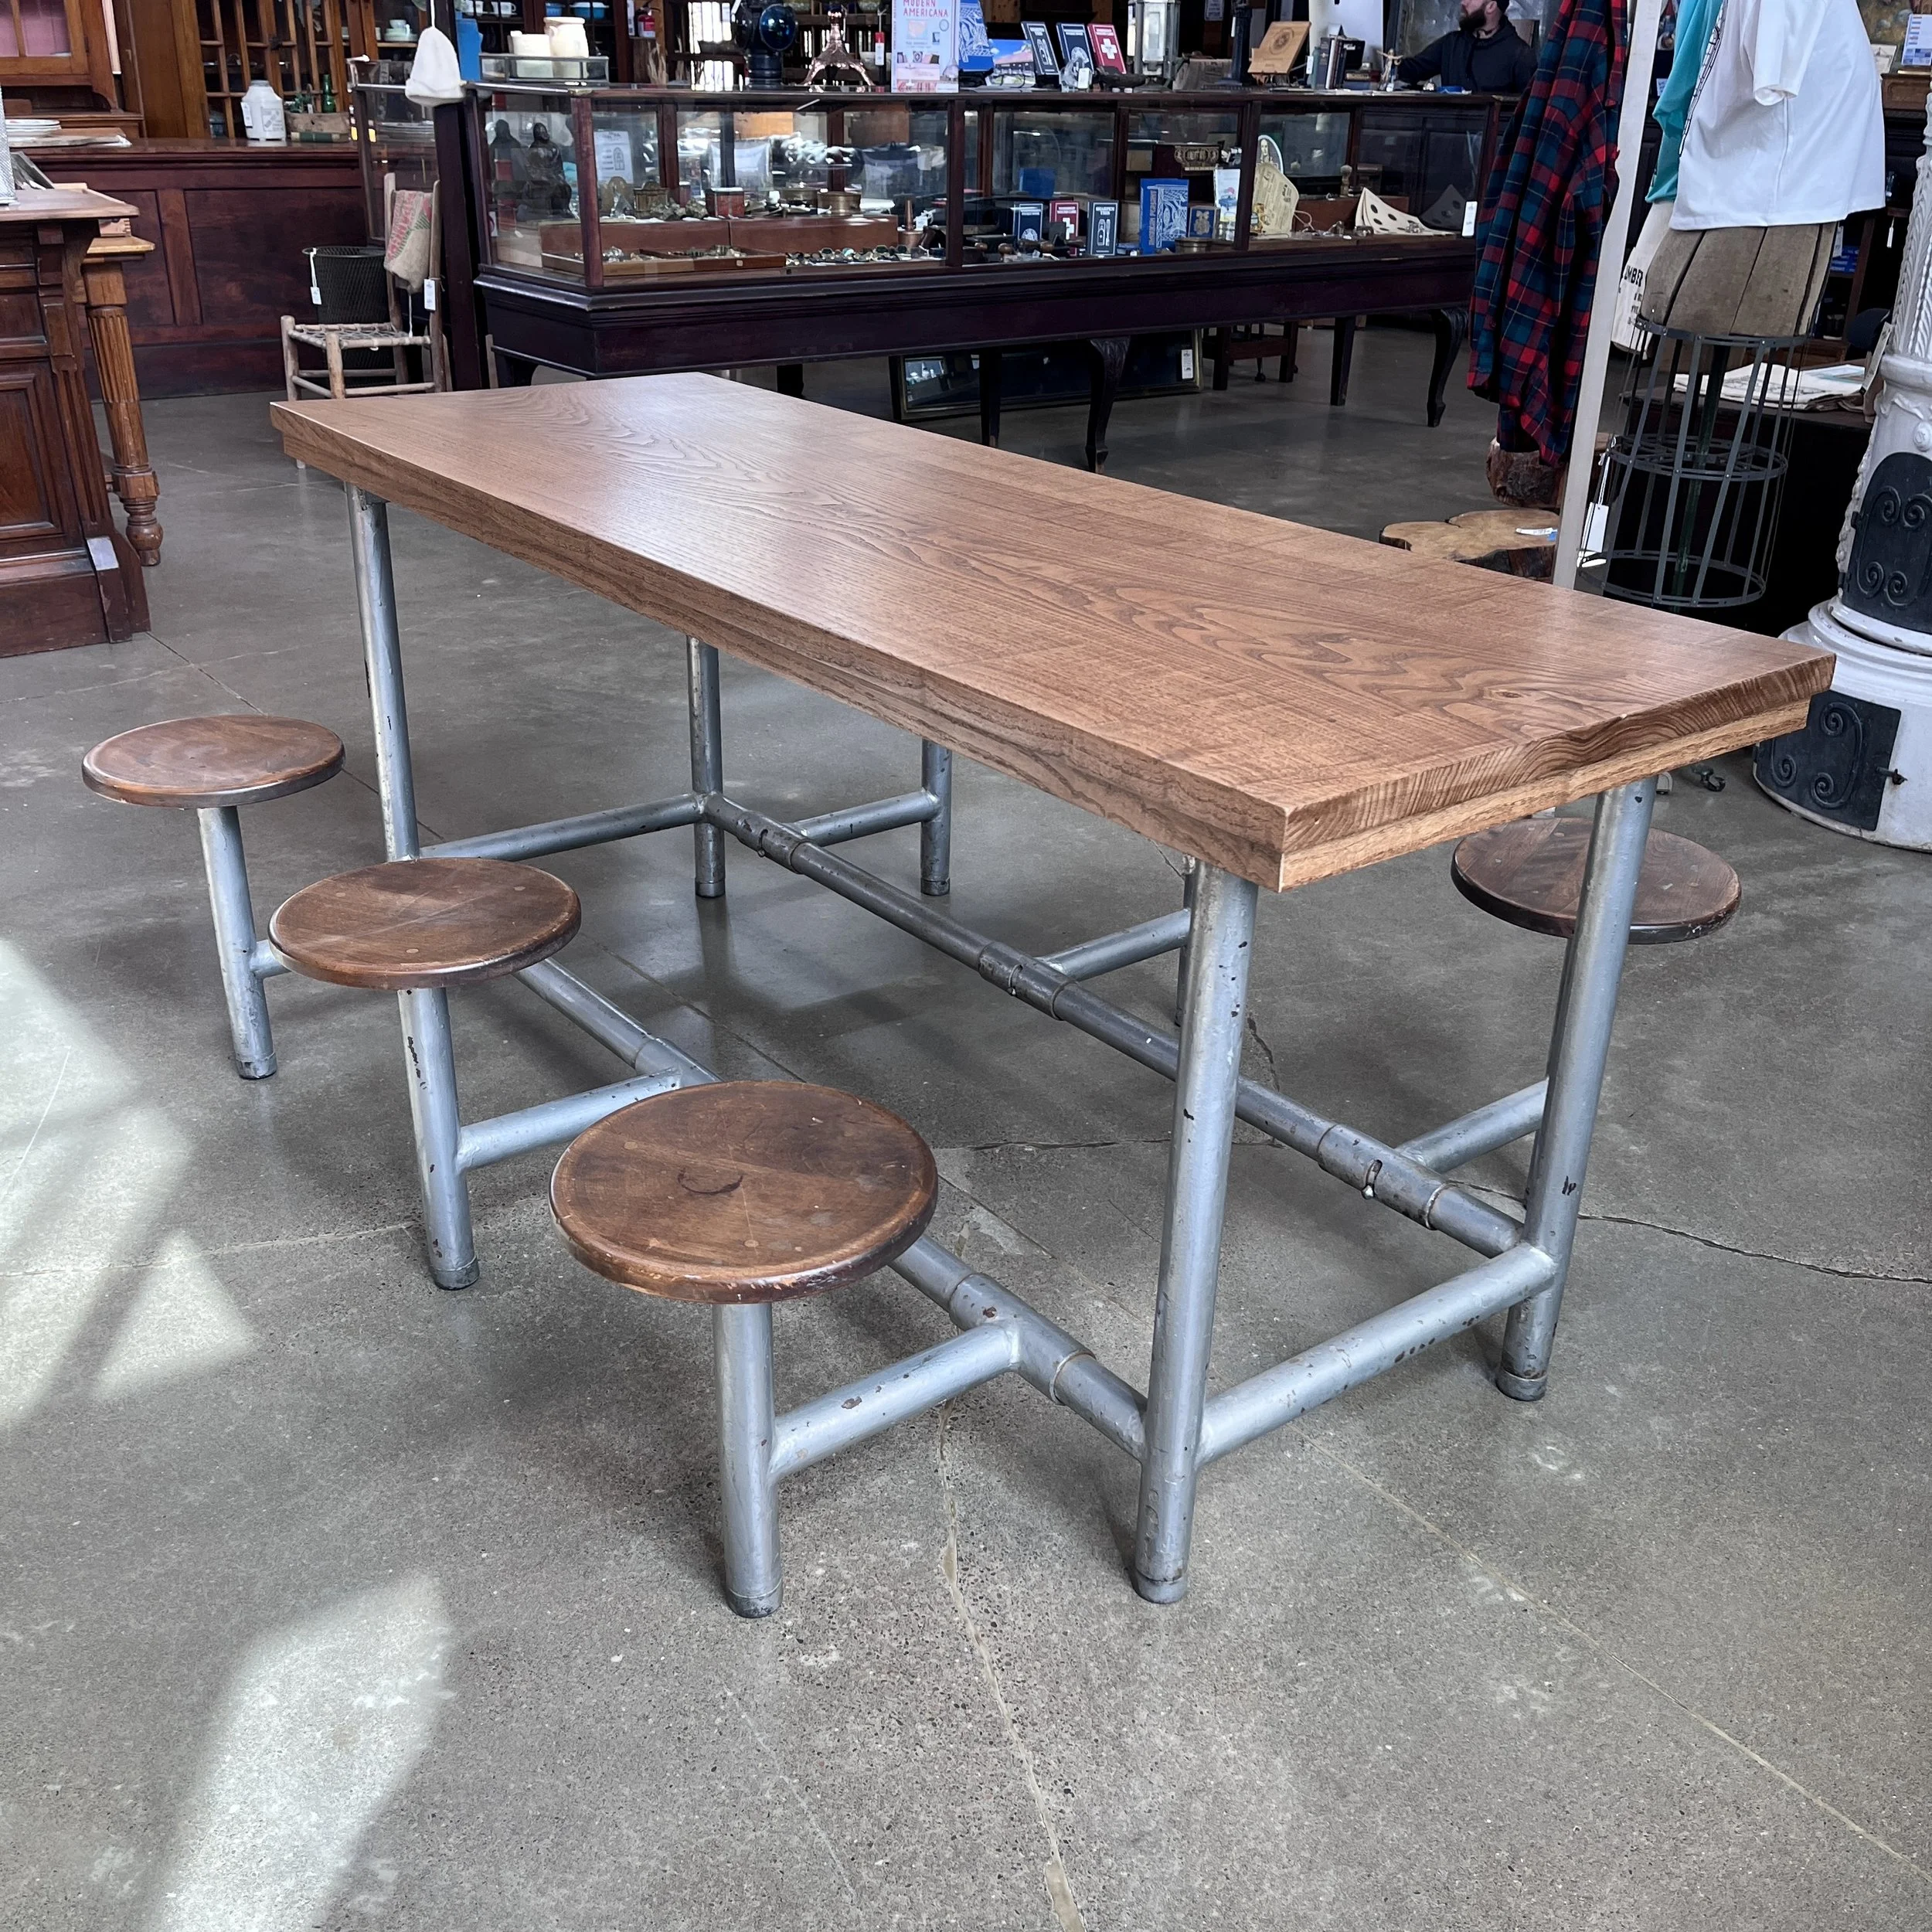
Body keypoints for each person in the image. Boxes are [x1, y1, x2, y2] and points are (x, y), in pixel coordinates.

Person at [1397, 0, 1537, 92]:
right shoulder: (1452, 44)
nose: (1463, 2)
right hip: (1447, 135)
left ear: (1491, 6)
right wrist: (1388, 65)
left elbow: (1524, 115)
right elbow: (1411, 70)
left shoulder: (1520, 55)